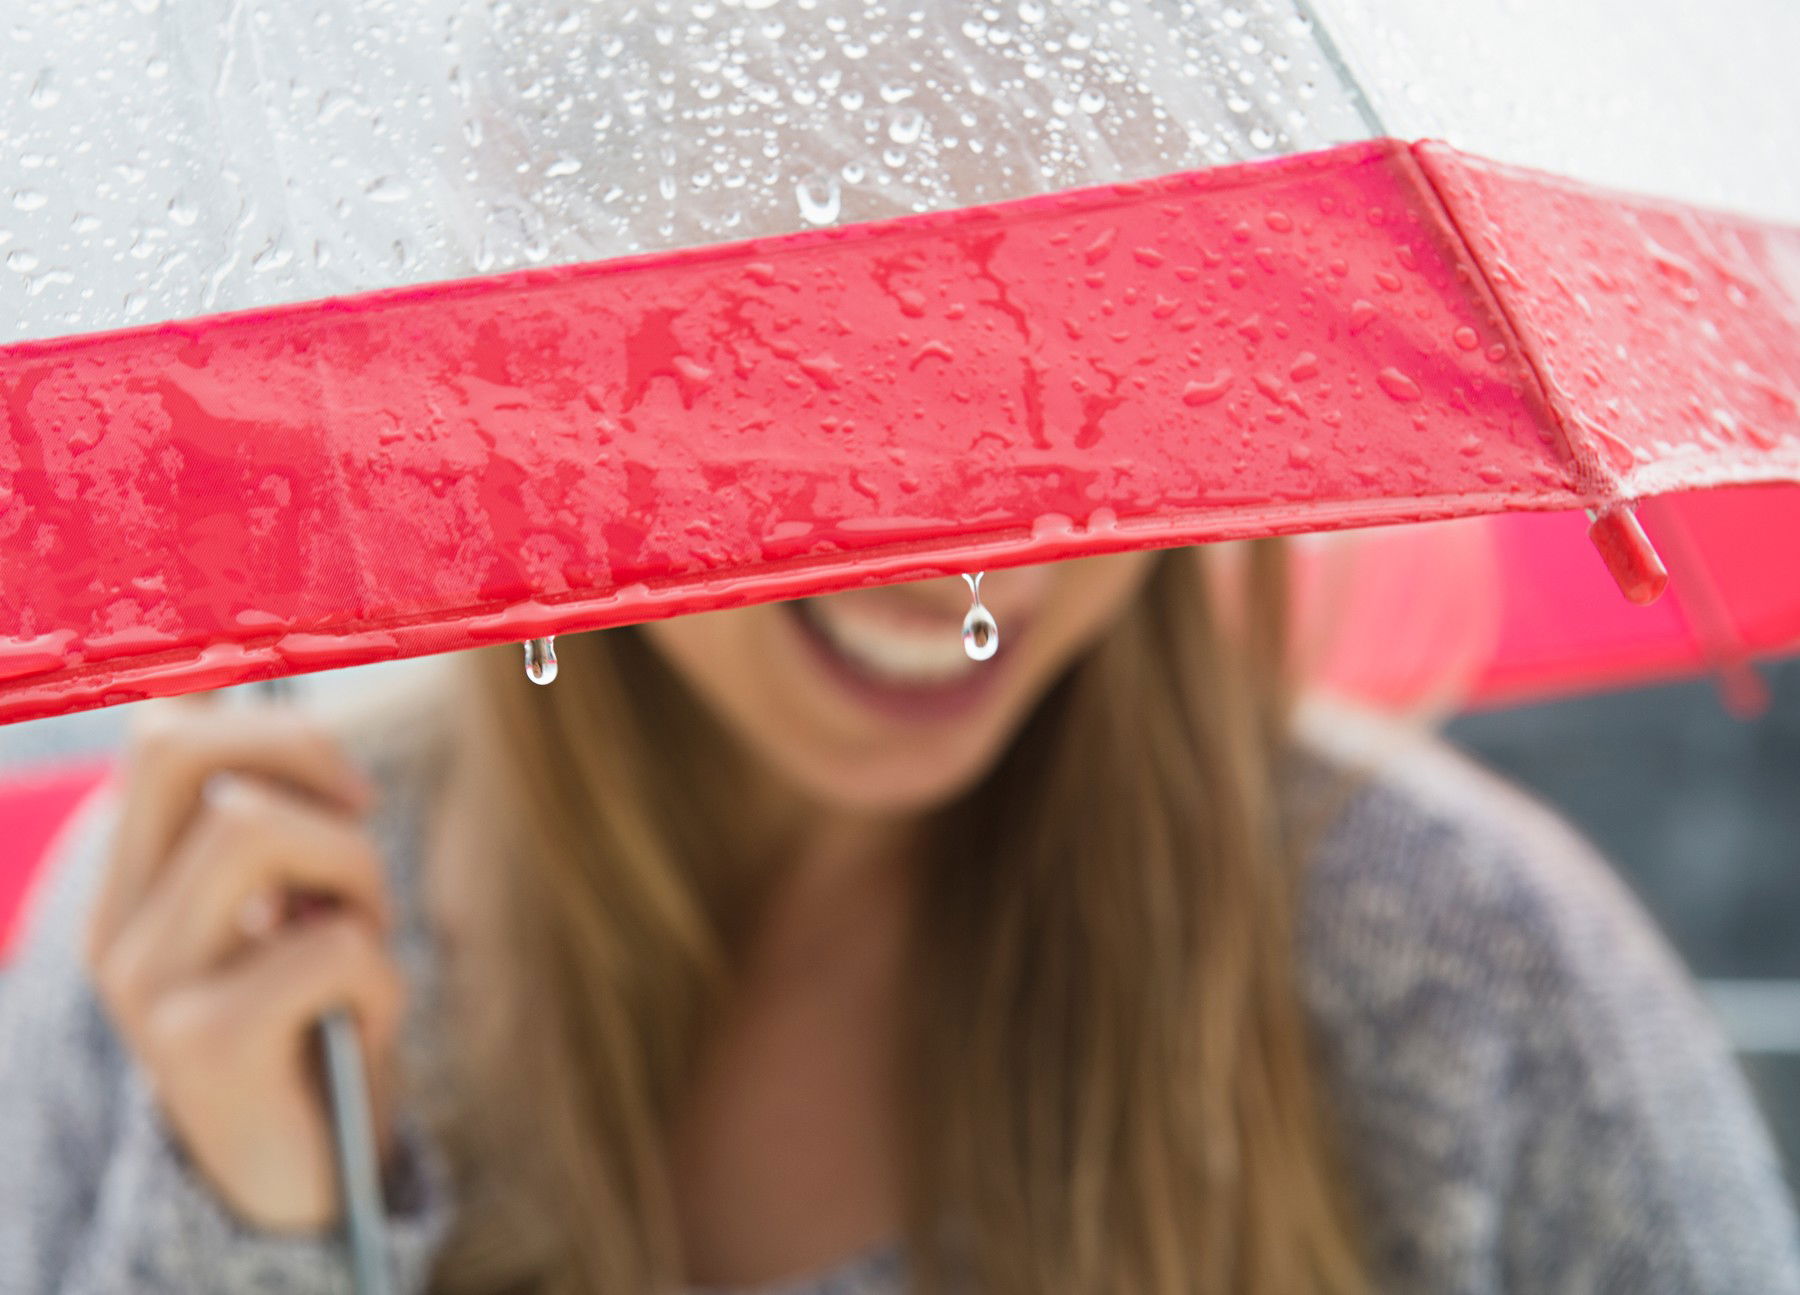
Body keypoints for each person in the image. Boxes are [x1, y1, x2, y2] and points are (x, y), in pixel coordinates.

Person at [0, 546, 1796, 1295]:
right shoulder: (204, 951)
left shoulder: (1471, 964)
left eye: (1093, 312)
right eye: (788, 352)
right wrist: (250, 1235)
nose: (962, 564)